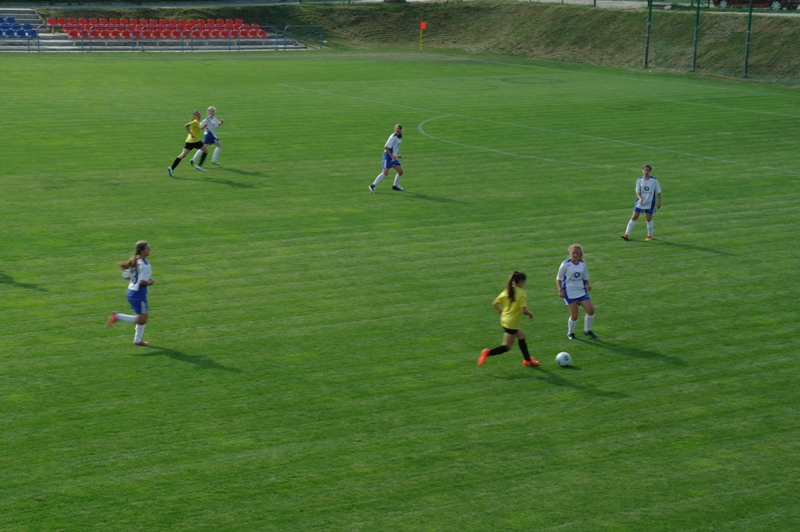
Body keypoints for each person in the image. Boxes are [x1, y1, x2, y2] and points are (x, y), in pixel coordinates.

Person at [478, 271, 539, 367]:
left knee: (522, 337)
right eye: (524, 282)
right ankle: (487, 353)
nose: (524, 284)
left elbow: (494, 303)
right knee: (506, 346)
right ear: (521, 281)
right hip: (512, 323)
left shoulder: (507, 290)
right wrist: (530, 314)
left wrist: (500, 311)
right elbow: (523, 310)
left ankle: (528, 360)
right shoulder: (521, 293)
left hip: (505, 319)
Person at [108, 240, 155, 346]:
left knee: (142, 316)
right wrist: (150, 282)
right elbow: (142, 282)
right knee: (142, 319)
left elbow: (125, 276)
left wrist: (135, 279)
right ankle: (117, 316)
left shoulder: (135, 261)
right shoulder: (145, 265)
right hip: (139, 294)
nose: (150, 250)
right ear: (142, 251)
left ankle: (138, 340)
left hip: (131, 292)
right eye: (147, 248)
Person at [557, 244, 597, 340]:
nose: (575, 255)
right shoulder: (565, 264)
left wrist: (589, 284)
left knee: (591, 311)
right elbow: (559, 278)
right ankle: (570, 332)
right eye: (573, 253)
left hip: (581, 291)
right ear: (570, 252)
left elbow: (585, 276)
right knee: (574, 316)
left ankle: (587, 330)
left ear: (580, 254)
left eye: (577, 253)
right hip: (569, 293)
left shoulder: (582, 264)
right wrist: (560, 290)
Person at [621, 164, 662, 241]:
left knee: (648, 219)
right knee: (634, 217)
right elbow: (637, 191)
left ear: (650, 171)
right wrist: (640, 198)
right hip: (640, 202)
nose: (646, 171)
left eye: (648, 170)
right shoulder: (639, 180)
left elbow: (658, 191)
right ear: (642, 170)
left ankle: (650, 235)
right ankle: (626, 234)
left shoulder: (654, 180)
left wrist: (659, 202)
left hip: (650, 203)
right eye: (645, 170)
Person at [168, 111, 208, 177]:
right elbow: (186, 126)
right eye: (198, 115)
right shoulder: (195, 121)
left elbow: (197, 128)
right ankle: (199, 165)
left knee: (182, 155)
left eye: (200, 114)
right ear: (195, 116)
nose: (199, 116)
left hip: (189, 141)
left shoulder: (197, 122)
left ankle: (171, 168)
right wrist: (191, 133)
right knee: (206, 151)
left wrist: (203, 127)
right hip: (195, 141)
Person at [369, 124, 405, 193]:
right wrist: (391, 156)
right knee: (385, 173)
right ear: (395, 129)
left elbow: (395, 147)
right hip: (388, 157)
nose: (398, 130)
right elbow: (386, 147)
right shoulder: (393, 137)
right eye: (397, 129)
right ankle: (373, 186)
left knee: (400, 172)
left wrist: (397, 154)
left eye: (399, 129)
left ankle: (395, 186)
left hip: (393, 157)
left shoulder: (399, 137)